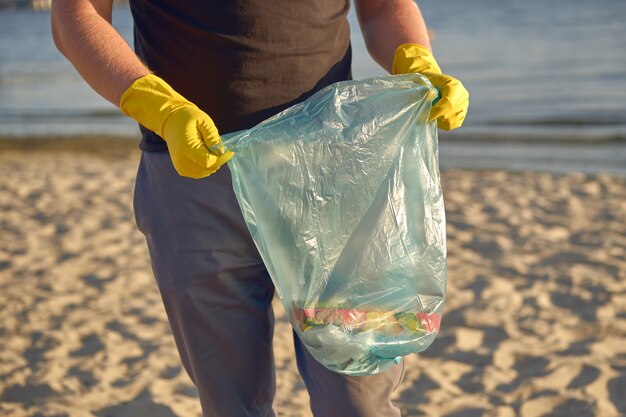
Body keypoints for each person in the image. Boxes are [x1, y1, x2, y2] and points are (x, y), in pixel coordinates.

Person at [51, 1, 468, 416]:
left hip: (332, 175)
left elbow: (381, 9)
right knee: (231, 404)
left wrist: (417, 60)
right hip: (194, 178)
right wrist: (155, 104)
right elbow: (75, 16)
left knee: (359, 401)